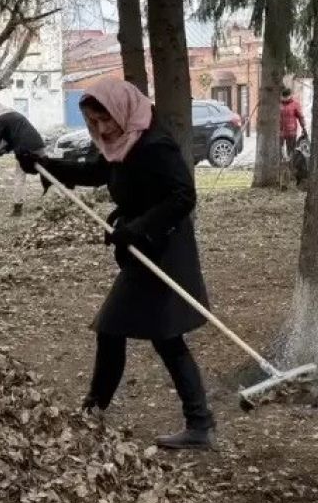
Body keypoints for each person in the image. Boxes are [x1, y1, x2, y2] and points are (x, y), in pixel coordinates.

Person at [17, 77, 215, 451]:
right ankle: (189, 421)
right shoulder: (119, 143)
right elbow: (96, 173)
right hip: (141, 248)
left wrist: (139, 228)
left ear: (122, 109)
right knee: (135, 333)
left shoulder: (154, 143)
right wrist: (44, 165)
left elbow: (183, 195)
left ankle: (189, 422)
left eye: (105, 120)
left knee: (151, 333)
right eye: (93, 122)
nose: (102, 129)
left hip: (164, 249)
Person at [0, 101, 44, 167]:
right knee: (45, 166)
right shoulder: (15, 115)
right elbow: (13, 139)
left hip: (24, 149)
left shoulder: (2, 119)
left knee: (20, 172)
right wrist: (3, 151)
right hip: (38, 143)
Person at [278, 86, 306, 158]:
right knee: (278, 149)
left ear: (290, 95)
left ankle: (291, 164)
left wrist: (303, 127)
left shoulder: (295, 104)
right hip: (279, 130)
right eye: (284, 96)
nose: (285, 98)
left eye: (287, 96)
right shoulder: (279, 104)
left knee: (290, 150)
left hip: (291, 131)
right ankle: (280, 163)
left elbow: (300, 116)